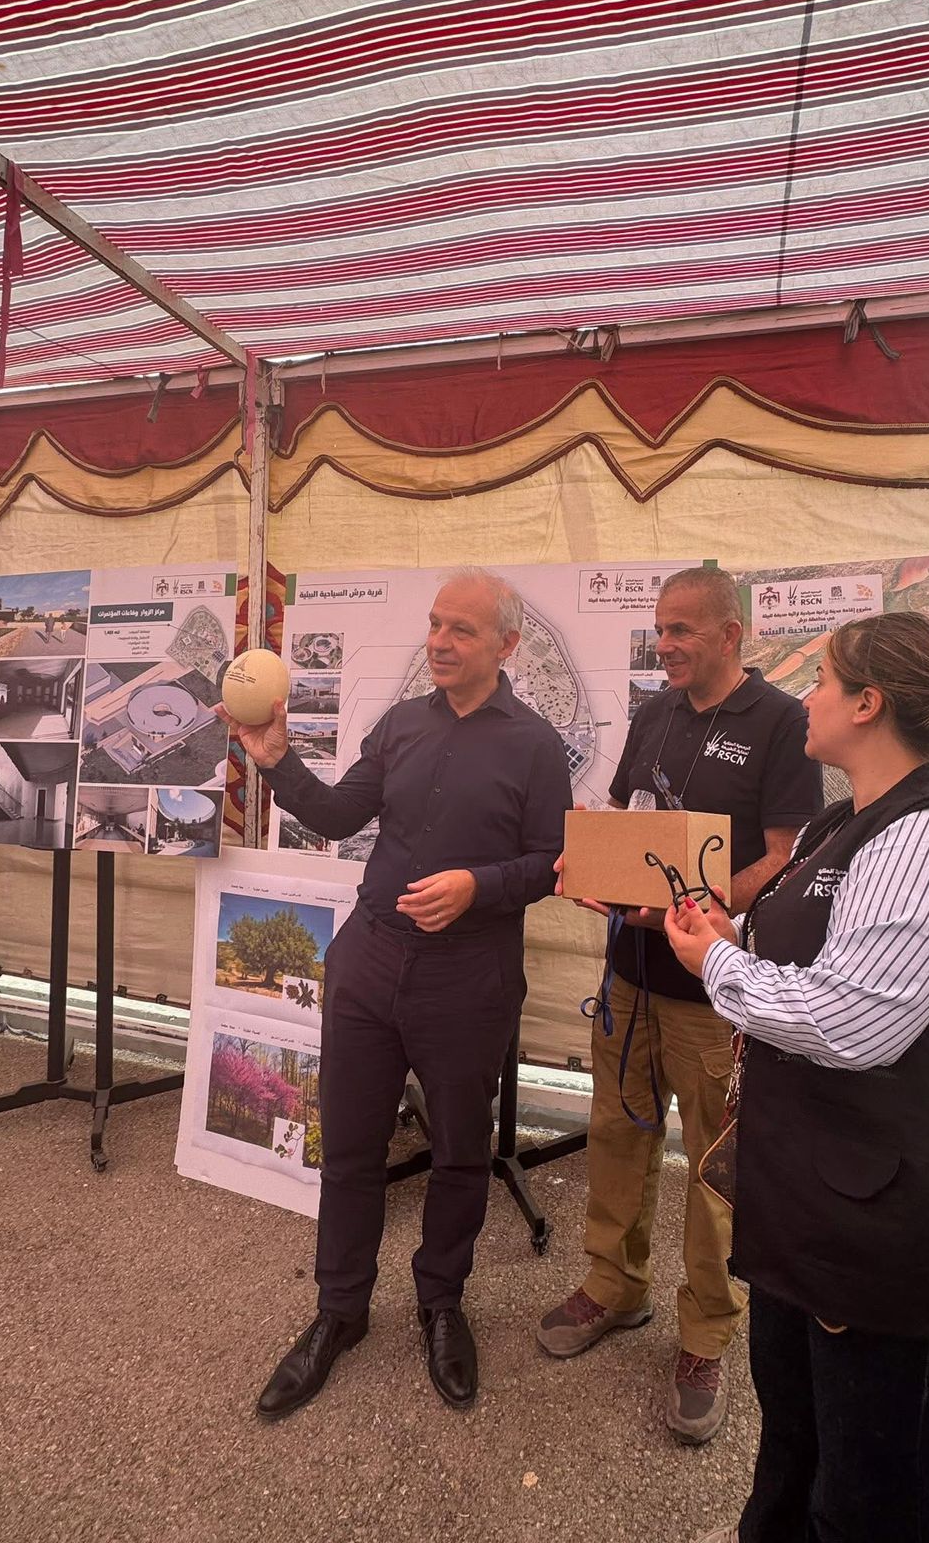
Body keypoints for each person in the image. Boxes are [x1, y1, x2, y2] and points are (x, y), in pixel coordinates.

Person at [663, 610, 929, 1543]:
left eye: (824, 681)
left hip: (904, 1248)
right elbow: (810, 953)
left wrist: (716, 967)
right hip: (825, 1219)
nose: (808, 697)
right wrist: (729, 933)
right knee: (796, 1461)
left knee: (883, 1505)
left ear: (869, 703)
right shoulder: (846, 821)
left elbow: (852, 1022)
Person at [224, 567, 571, 1418]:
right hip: (370, 960)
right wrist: (277, 761)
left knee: (459, 1151)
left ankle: (440, 1303)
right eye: (435, 624)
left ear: (506, 645)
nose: (439, 642)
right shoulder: (402, 724)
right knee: (349, 1148)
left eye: (461, 630)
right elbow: (341, 815)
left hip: (469, 975)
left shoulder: (535, 746)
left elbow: (551, 865)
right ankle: (339, 1311)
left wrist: (478, 887)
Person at [538, 566, 823, 1444]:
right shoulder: (655, 712)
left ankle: (705, 1335)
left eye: (681, 631)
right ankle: (614, 1287)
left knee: (710, 1167)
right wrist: (592, 865)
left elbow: (786, 853)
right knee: (617, 1136)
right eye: (660, 629)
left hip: (714, 990)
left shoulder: (781, 721)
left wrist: (703, 910)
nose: (663, 645)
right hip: (629, 976)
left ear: (731, 633)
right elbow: (627, 820)